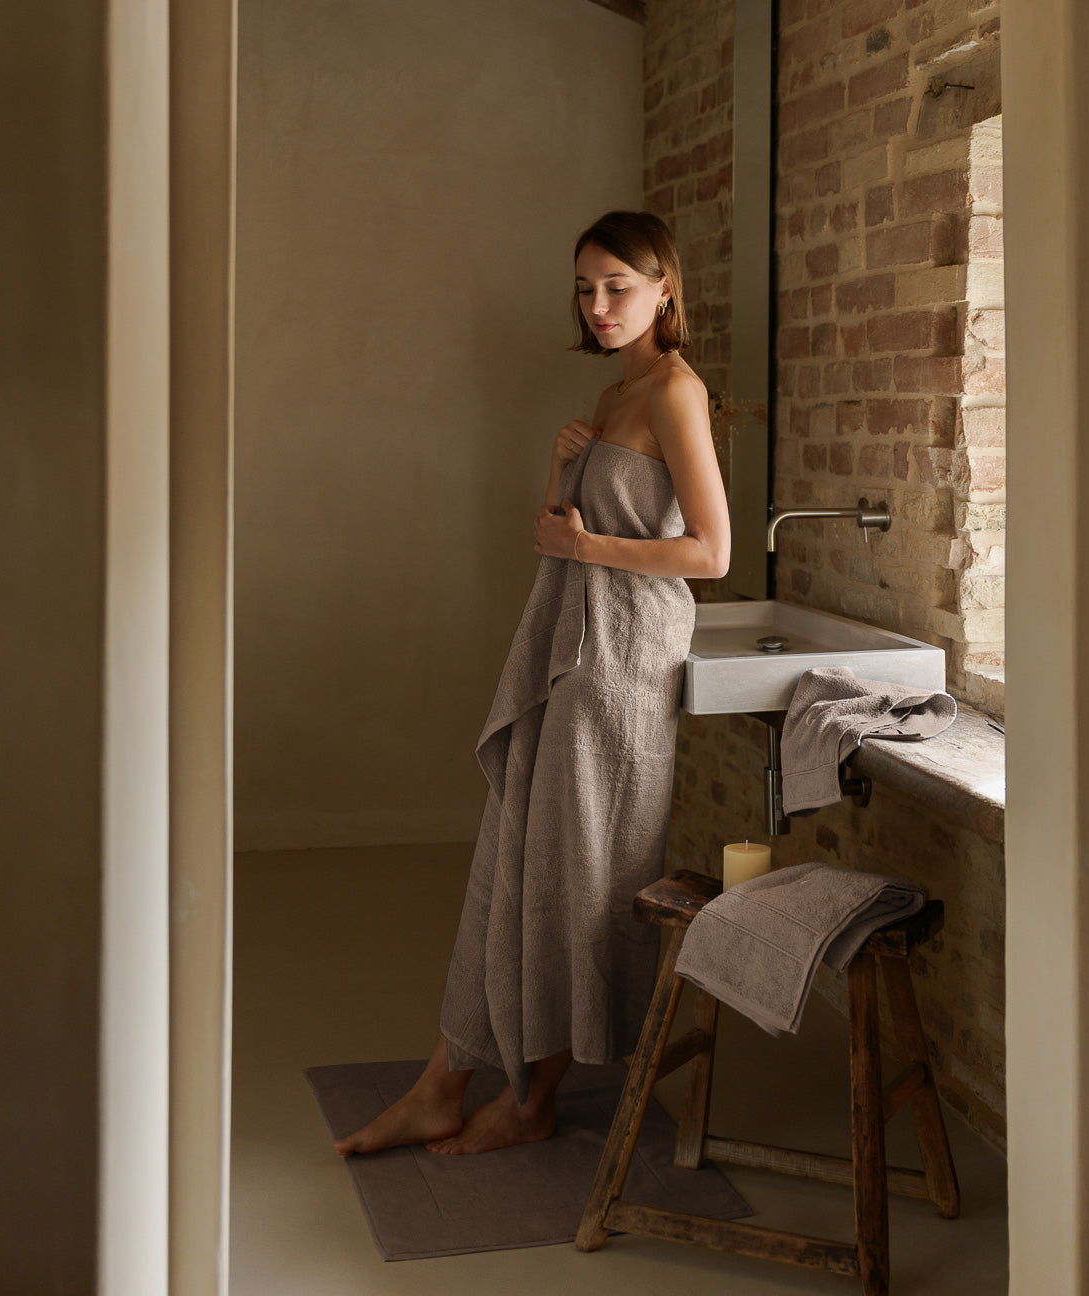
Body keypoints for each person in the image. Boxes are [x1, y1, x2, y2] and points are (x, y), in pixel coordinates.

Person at [336, 211, 730, 1158]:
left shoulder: (676, 391)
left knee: (581, 875)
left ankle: (530, 1097)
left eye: (619, 287)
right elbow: (563, 537)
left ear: (664, 289)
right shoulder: (613, 391)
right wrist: (562, 471)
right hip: (574, 644)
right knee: (521, 863)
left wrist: (587, 544)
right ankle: (445, 1083)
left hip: (623, 662)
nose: (599, 305)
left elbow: (710, 552)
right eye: (586, 289)